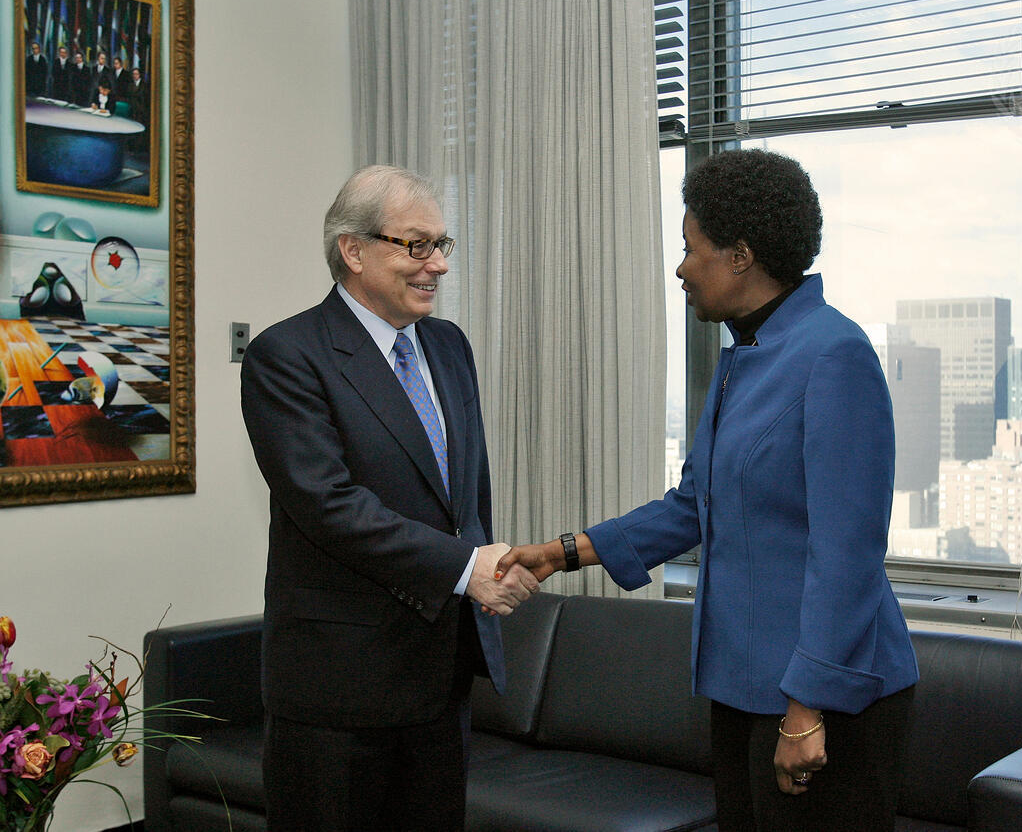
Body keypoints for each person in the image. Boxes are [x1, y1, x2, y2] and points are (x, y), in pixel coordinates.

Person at [497, 148, 919, 831]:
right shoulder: (744, 356)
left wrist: (806, 707)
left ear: (741, 256)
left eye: (691, 249)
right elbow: (692, 506)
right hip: (744, 685)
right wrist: (563, 551)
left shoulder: (833, 353)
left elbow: (848, 553)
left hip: (822, 697)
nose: (681, 269)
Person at [241, 164, 540, 831]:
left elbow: (465, 493)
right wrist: (466, 568)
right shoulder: (287, 354)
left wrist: (487, 565)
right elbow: (329, 504)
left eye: (442, 245)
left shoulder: (449, 345)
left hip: (440, 677)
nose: (438, 264)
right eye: (417, 245)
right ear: (354, 250)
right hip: (338, 688)